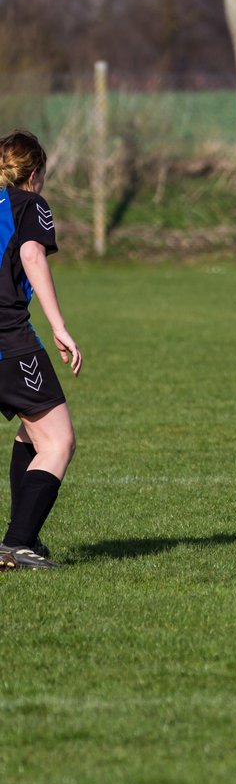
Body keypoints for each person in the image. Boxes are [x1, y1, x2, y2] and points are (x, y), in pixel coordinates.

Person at [0, 129, 81, 571]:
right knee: (60, 439)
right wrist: (60, 327)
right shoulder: (30, 204)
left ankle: (21, 535)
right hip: (10, 343)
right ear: (34, 173)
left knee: (30, 431)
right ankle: (17, 543)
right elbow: (32, 255)